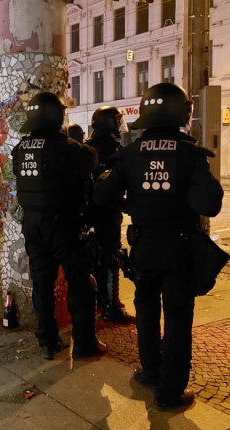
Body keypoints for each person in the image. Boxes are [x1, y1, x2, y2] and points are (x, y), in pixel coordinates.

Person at [93, 83, 224, 410]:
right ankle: (170, 392)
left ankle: (150, 373)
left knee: (147, 312)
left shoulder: (130, 154)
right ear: (182, 113)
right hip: (178, 249)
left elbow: (101, 195)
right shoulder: (190, 153)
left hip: (143, 247)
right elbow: (208, 205)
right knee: (178, 320)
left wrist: (130, 203)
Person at [12, 91, 107, 360]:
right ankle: (85, 342)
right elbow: (92, 158)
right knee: (80, 283)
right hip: (63, 224)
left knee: (42, 284)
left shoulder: (20, 149)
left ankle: (47, 341)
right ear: (56, 117)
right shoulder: (66, 147)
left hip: (32, 225)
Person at [85, 106, 134, 324]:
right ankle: (112, 307)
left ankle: (96, 301)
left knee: (93, 257)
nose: (120, 126)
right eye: (117, 121)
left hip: (87, 211)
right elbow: (117, 185)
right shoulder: (114, 150)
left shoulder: (86, 148)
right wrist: (127, 205)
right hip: (108, 212)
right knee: (111, 256)